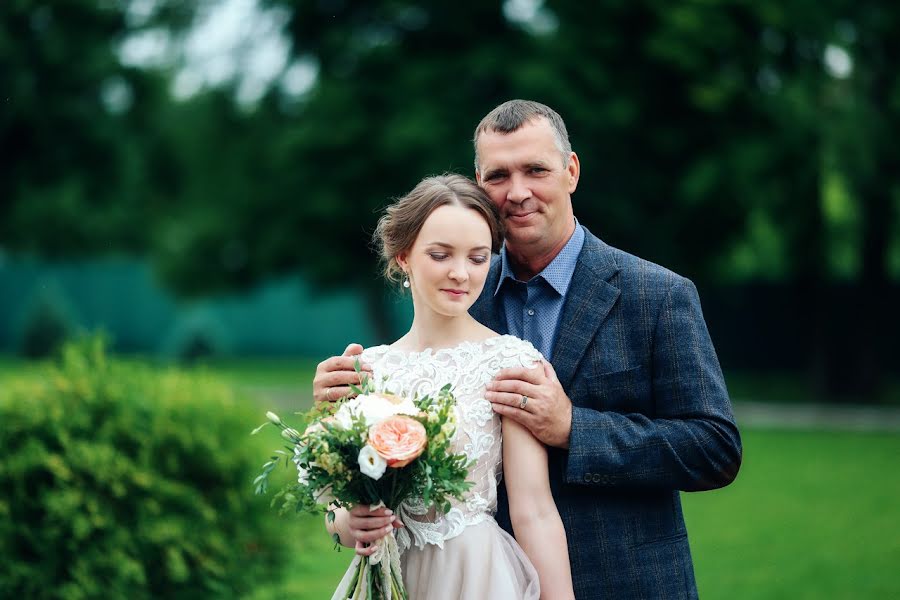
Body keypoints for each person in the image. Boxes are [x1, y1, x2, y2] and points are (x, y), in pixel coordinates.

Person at [316, 100, 742, 599]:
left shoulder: (657, 296)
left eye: (536, 170)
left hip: (627, 580)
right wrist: (347, 432)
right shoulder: (462, 293)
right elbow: (358, 494)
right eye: (498, 176)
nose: (518, 192)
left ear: (571, 172)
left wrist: (573, 429)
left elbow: (714, 449)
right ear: (479, 182)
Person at [324, 174, 576, 600]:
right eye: (441, 255)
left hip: (474, 576)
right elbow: (337, 500)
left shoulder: (510, 363)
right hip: (388, 574)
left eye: (478, 259)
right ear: (403, 256)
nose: (461, 273)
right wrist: (348, 523)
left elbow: (534, 511)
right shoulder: (365, 370)